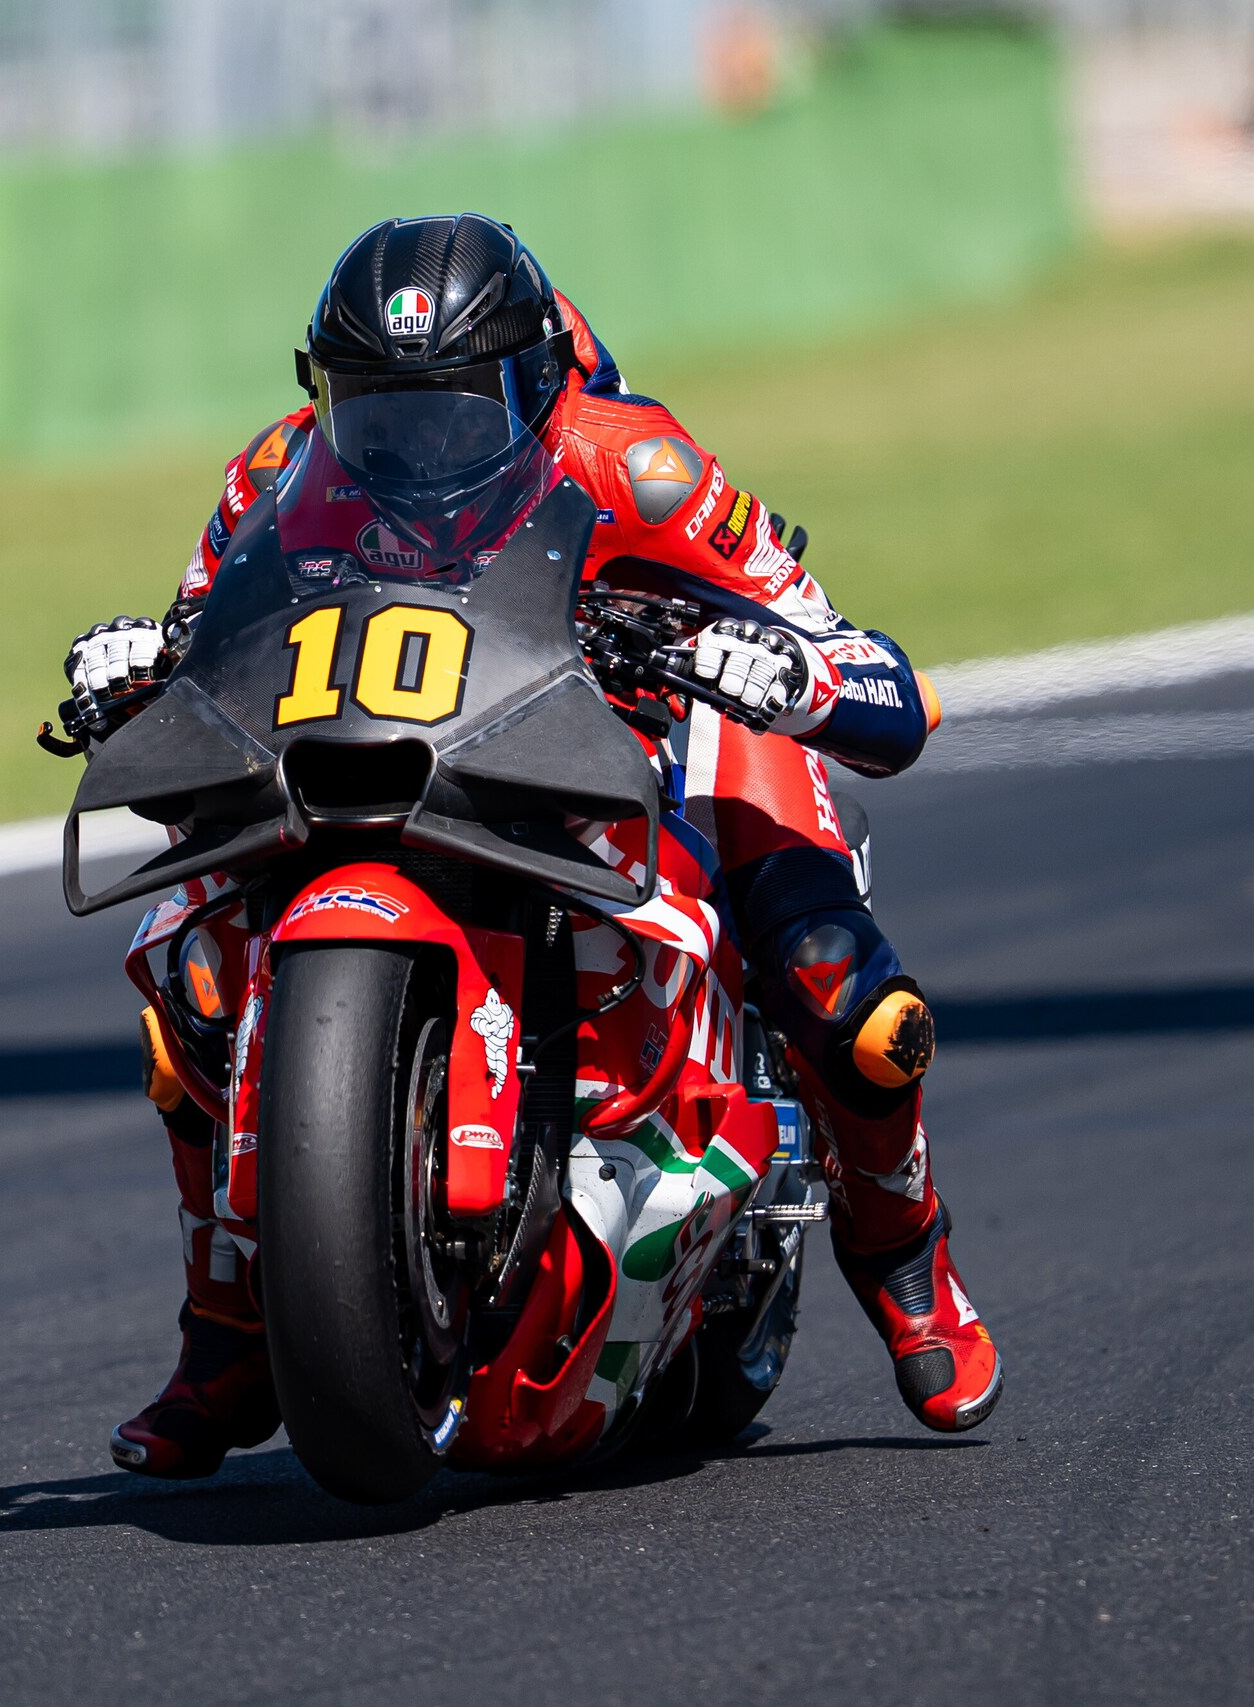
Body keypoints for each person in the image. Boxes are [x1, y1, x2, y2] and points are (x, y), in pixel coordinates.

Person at [64, 214, 1000, 1479]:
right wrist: (132, 664)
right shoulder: (273, 470)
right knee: (187, 983)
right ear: (321, 388)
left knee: (845, 985)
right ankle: (231, 1328)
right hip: (388, 757)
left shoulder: (640, 465)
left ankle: (903, 1260)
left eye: (450, 410)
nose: (408, 442)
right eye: (373, 409)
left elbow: (880, 680)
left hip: (637, 743)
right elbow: (204, 632)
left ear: (532, 381)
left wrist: (771, 670)